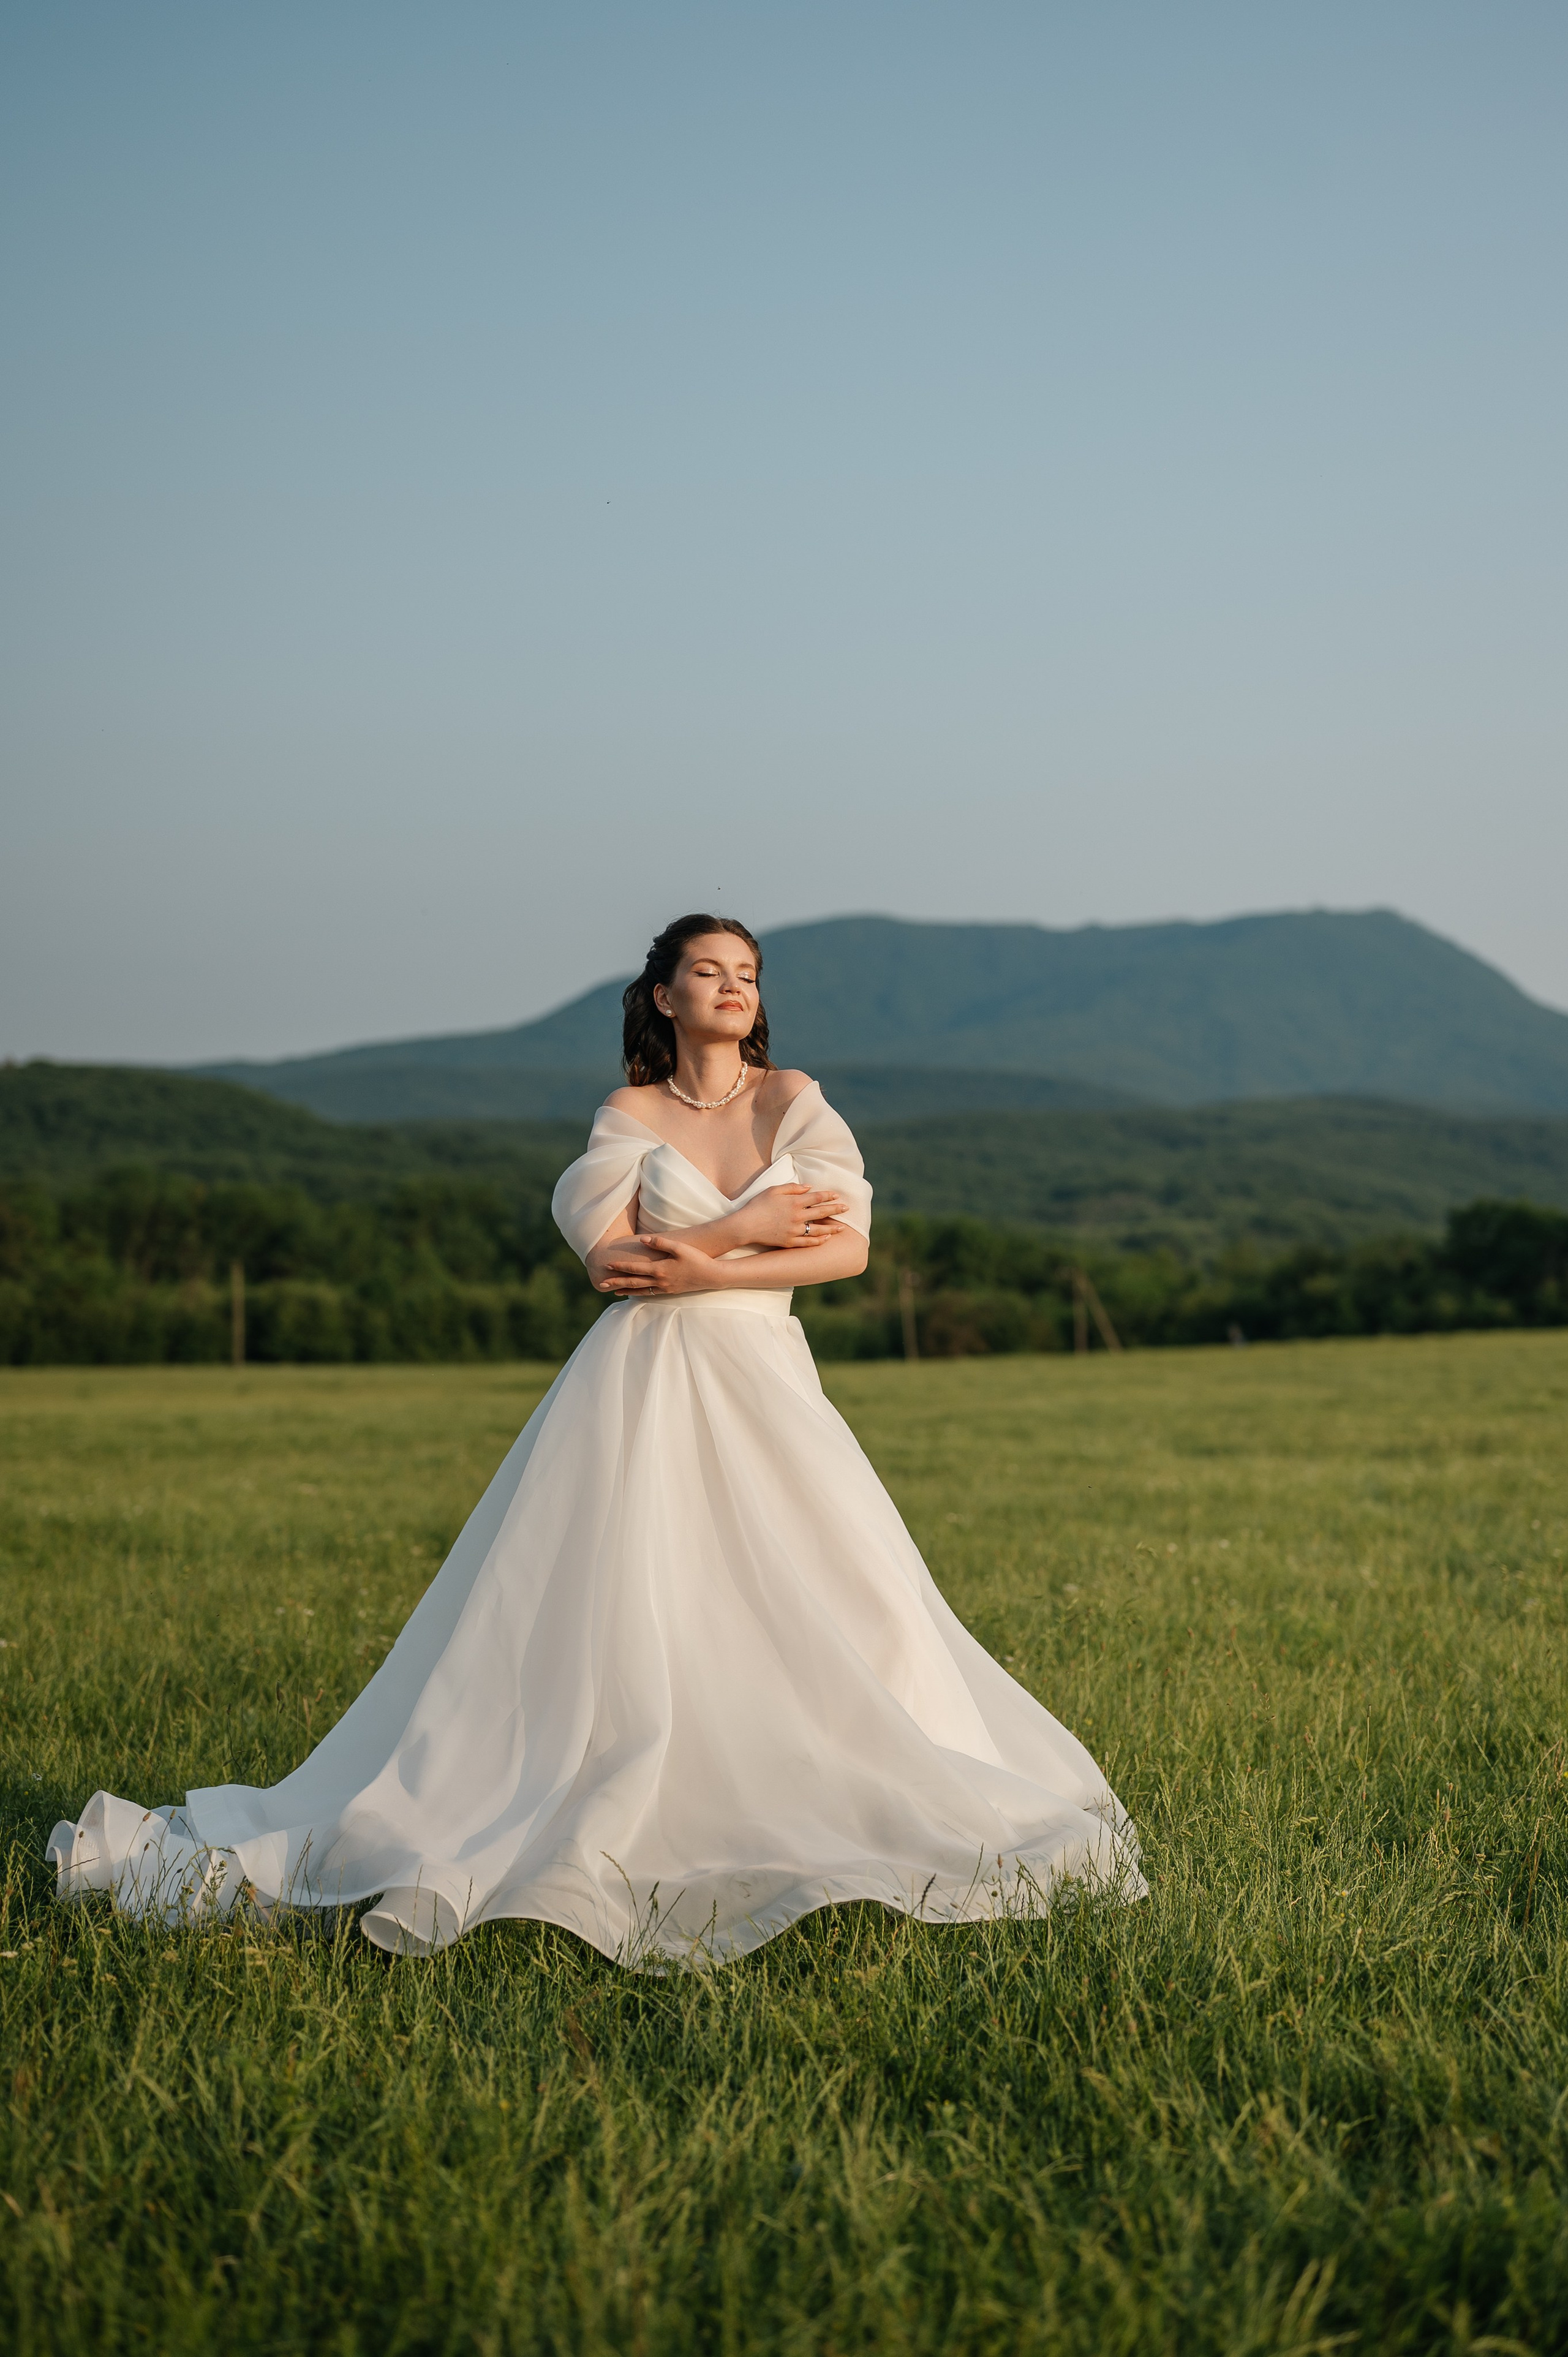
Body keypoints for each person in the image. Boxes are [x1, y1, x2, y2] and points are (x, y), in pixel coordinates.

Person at [49, 915, 1144, 1963]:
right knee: (623, 1605)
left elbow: (846, 1251)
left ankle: (837, 1785)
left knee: (845, 1597)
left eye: (749, 973)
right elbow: (611, 1267)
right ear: (664, 995)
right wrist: (736, 1231)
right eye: (709, 971)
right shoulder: (629, 1115)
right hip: (641, 1383)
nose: (733, 987)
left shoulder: (794, 1102)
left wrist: (711, 1262)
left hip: (764, 1377)